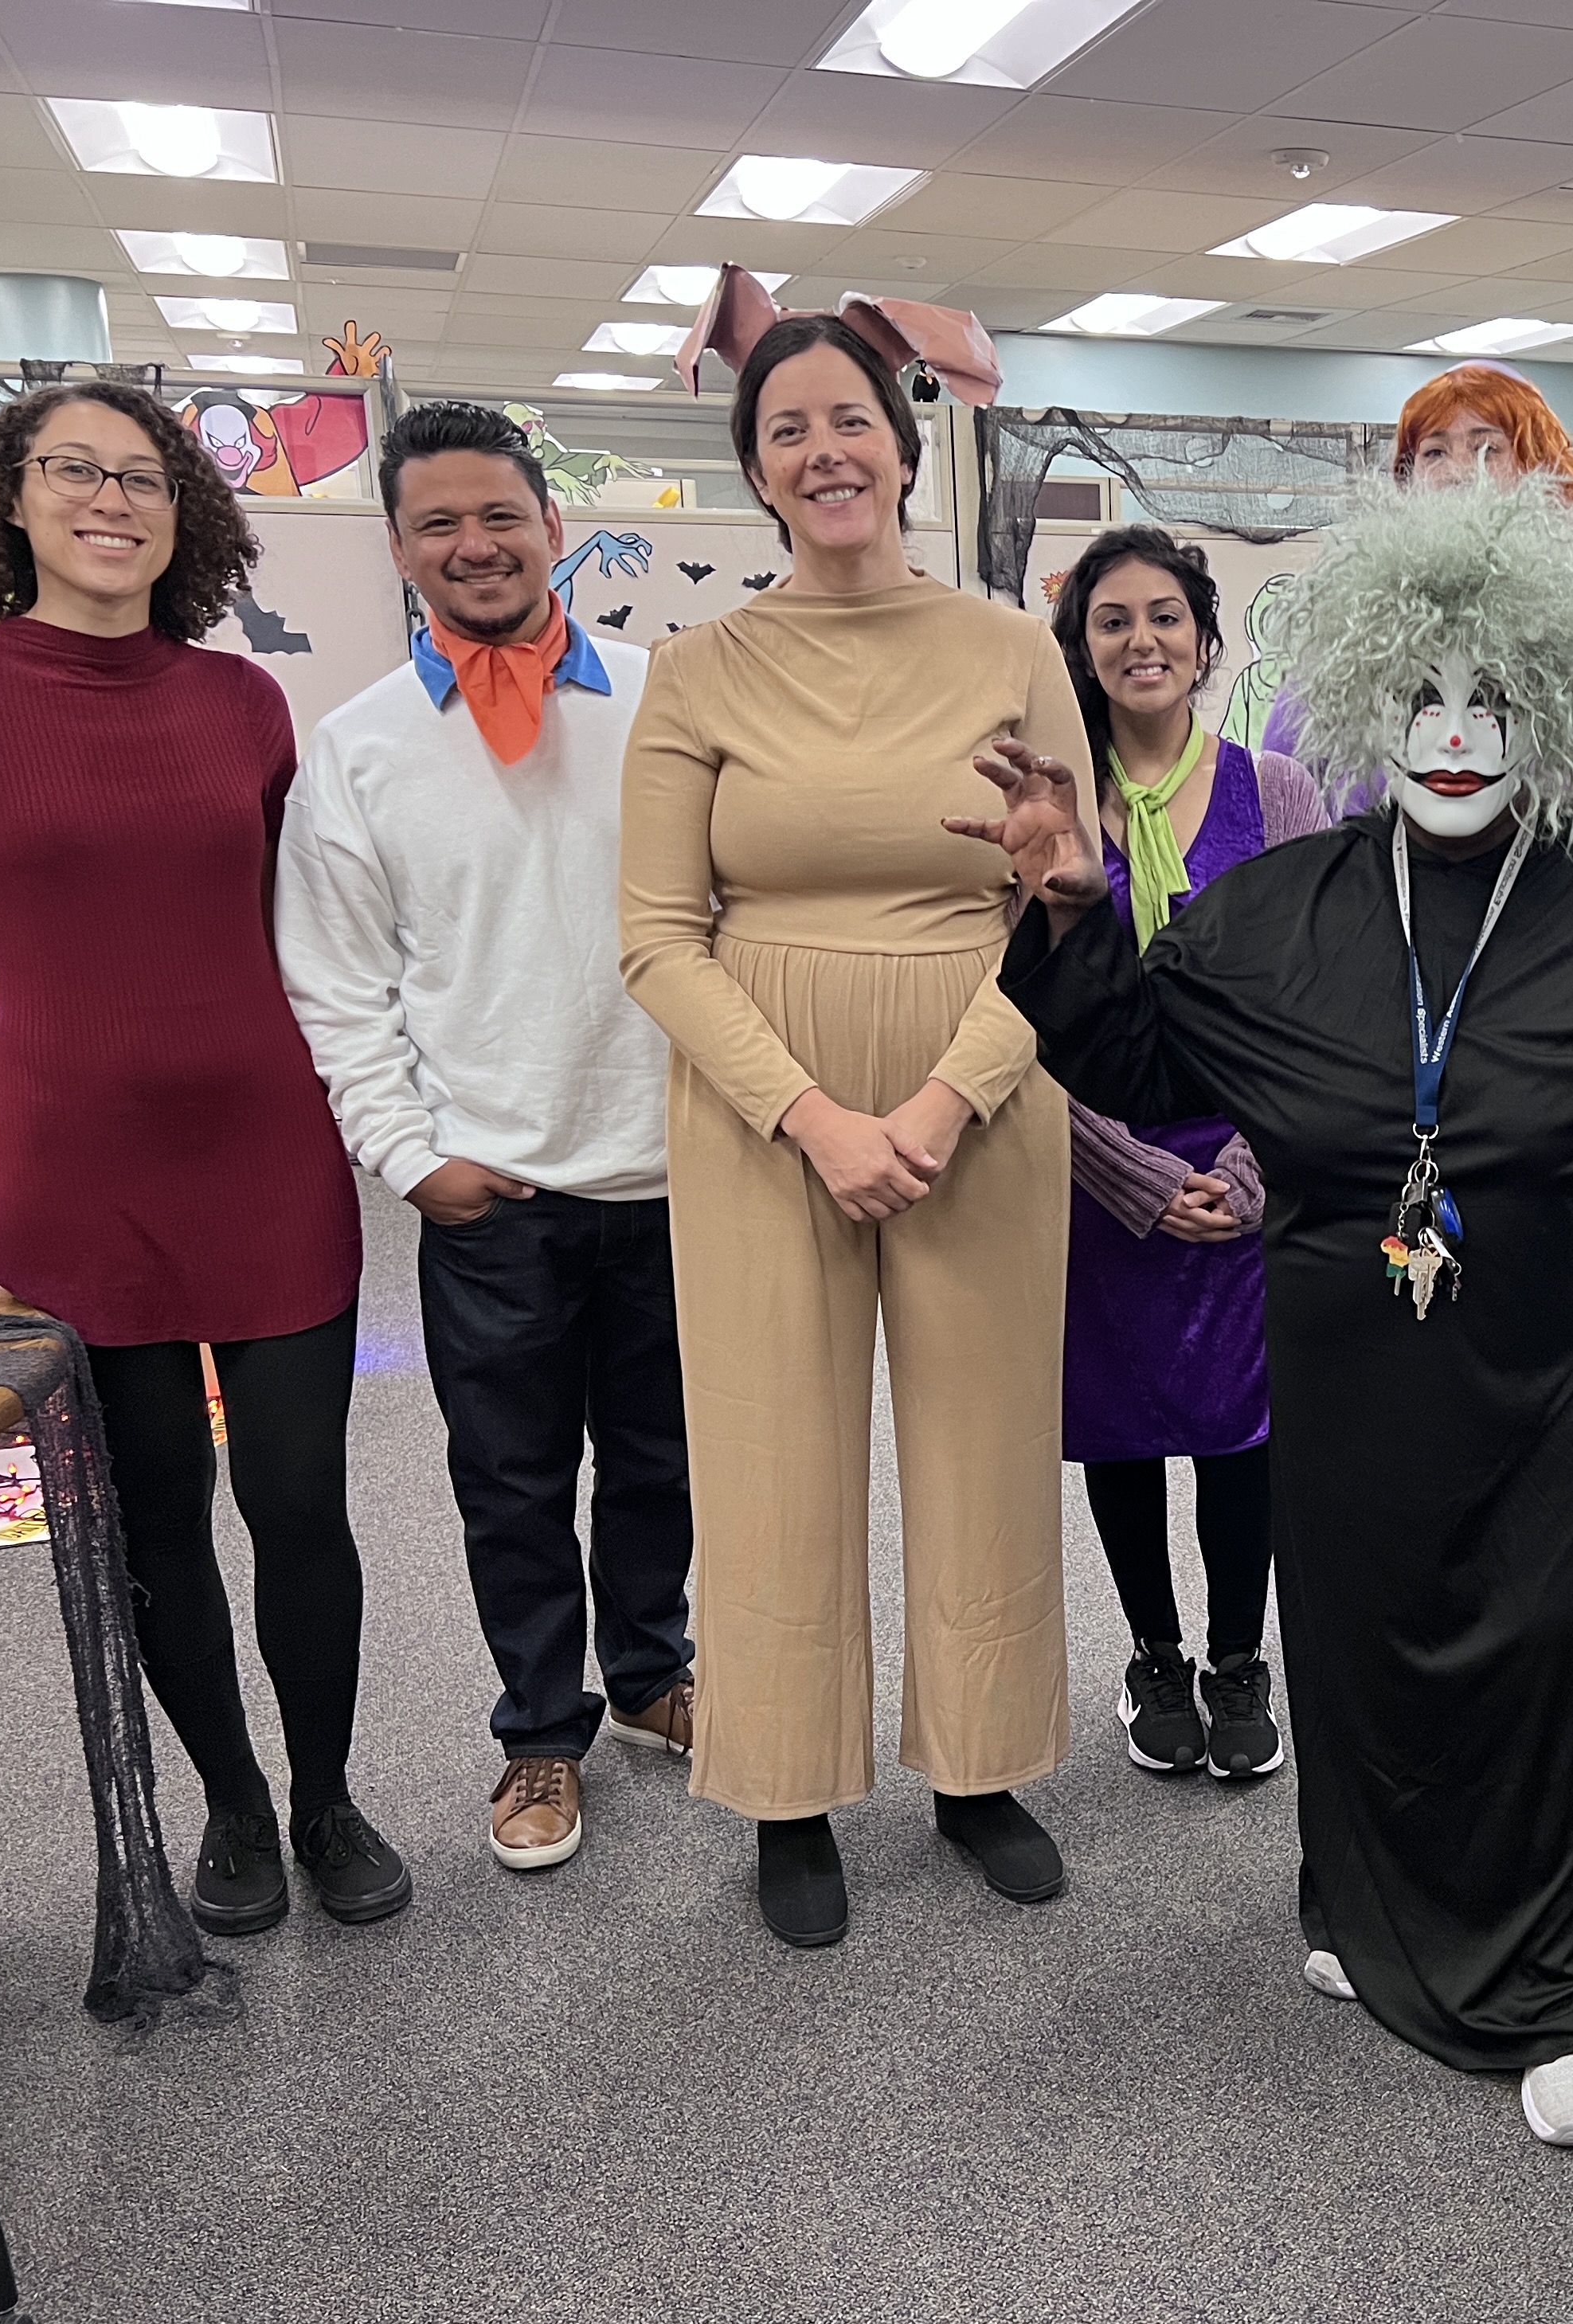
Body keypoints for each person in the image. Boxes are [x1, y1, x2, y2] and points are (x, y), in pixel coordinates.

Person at [953, 475, 1573, 2149]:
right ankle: (1363, 1914)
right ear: (1369, 710)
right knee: (1358, 1644)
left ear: (1555, 711)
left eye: (1493, 703)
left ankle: (1544, 1985)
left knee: (1528, 1662)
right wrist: (1075, 914)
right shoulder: (1279, 908)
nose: (1456, 738)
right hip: (1339, 1361)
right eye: (1420, 702)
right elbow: (1135, 1062)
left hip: (1544, 1367)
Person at [0, 381, 406, 1933]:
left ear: (187, 512)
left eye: (145, 474)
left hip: (267, 1155)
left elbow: (314, 931)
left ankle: (325, 1797)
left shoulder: (243, 705)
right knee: (153, 1510)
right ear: (10, 503)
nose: (112, 497)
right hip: (70, 1175)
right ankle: (231, 1809)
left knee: (301, 1499)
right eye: (74, 471)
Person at [619, 314, 1078, 1948]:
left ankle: (980, 1767)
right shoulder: (700, 671)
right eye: (788, 429)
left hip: (988, 1078)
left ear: (902, 439)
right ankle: (789, 1788)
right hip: (765, 1102)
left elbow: (1067, 903)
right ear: (755, 469)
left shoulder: (1014, 651)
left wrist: (948, 1098)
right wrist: (813, 1116)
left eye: (852, 420)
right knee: (768, 1450)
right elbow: (657, 934)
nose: (826, 452)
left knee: (988, 1441)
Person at [280, 401, 692, 1876]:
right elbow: (336, 973)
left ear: (550, 527)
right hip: (489, 1190)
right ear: (399, 549)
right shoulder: (362, 746)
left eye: (499, 514)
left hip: (666, 1169)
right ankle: (540, 1725)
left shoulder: (664, 696)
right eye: (439, 522)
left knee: (664, 1459)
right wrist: (408, 1154)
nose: (474, 543)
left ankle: (653, 1671)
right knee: (510, 1477)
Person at [1045, 526, 1326, 1779]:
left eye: (1165, 617)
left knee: (1242, 1430)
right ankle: (1152, 1654)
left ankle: (1236, 1658)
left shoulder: (1282, 793)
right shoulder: (1045, 805)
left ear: (1205, 641)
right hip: (1097, 1172)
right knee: (1121, 1429)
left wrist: (1255, 1169)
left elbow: (1321, 1006)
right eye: (1113, 621)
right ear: (1081, 649)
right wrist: (1136, 1178)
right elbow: (1018, 1016)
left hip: (1251, 1163)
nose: (1141, 640)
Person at [1260, 362, 1573, 778]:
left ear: (1537, 468)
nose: (1459, 473)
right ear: (1406, 481)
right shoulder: (1352, 630)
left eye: (1488, 450)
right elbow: (1286, 780)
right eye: (1434, 452)